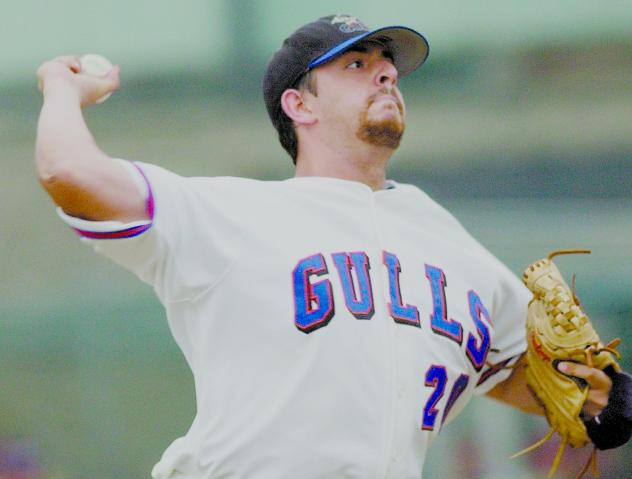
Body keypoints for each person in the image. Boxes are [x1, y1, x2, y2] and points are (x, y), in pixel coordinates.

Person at [35, 14, 627, 479]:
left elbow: (521, 374)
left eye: (388, 65)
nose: (386, 73)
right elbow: (69, 171)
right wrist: (61, 91)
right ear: (300, 104)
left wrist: (597, 402)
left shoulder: (455, 248)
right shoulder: (227, 213)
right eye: (356, 63)